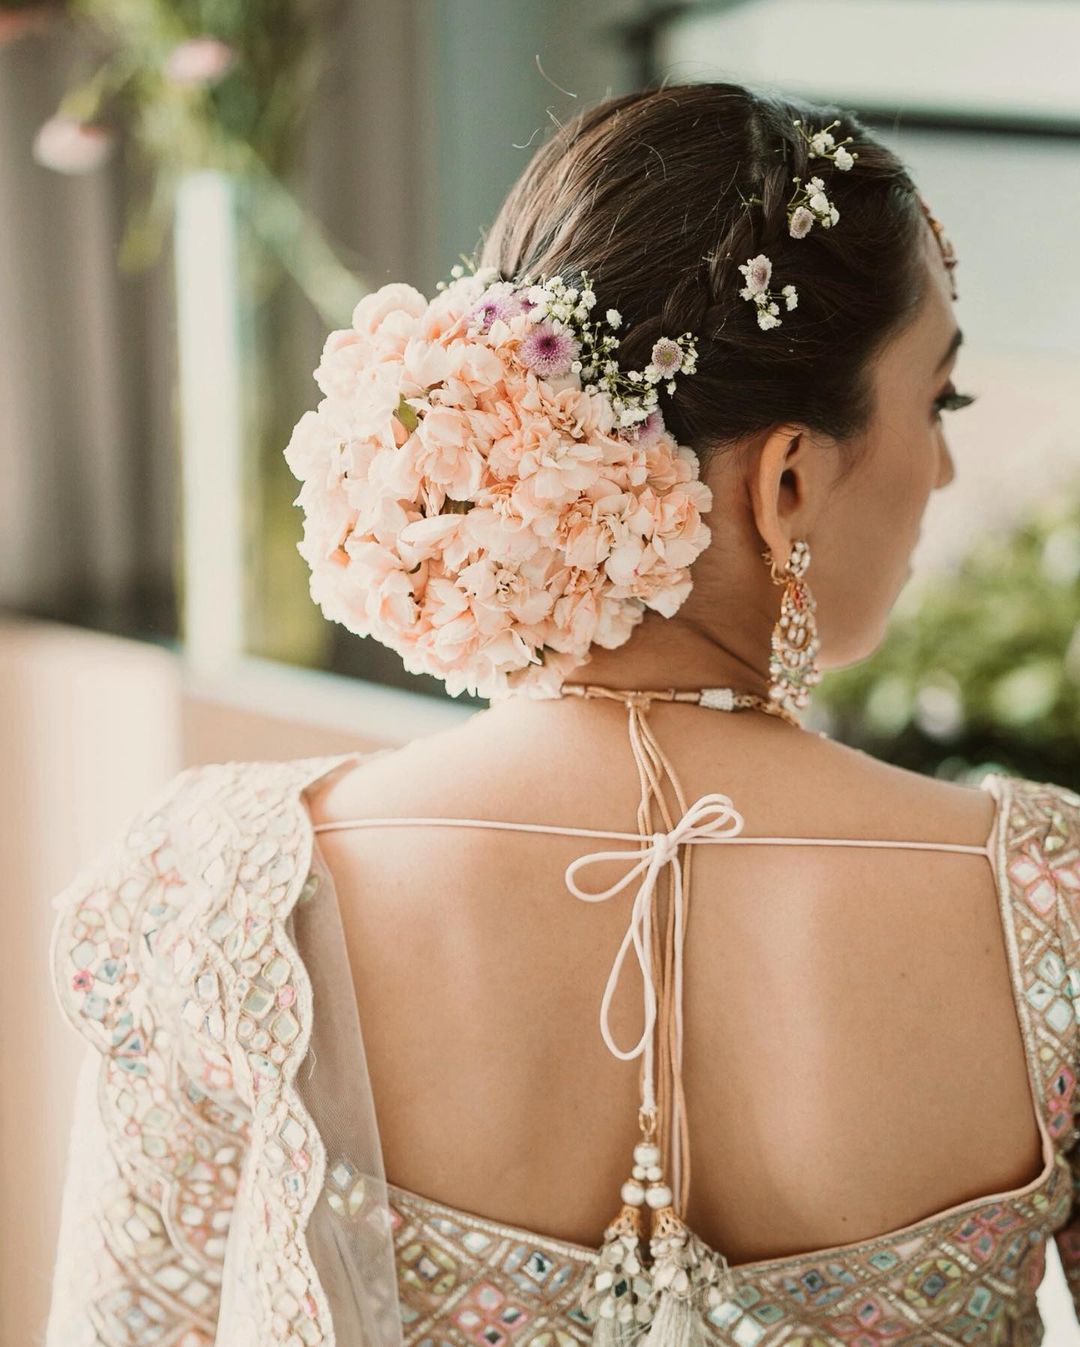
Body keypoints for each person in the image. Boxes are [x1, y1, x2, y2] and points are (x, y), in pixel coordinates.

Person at [45, 82, 1080, 1347]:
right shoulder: (1052, 913)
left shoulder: (211, 892)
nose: (948, 465)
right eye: (940, 403)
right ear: (790, 478)